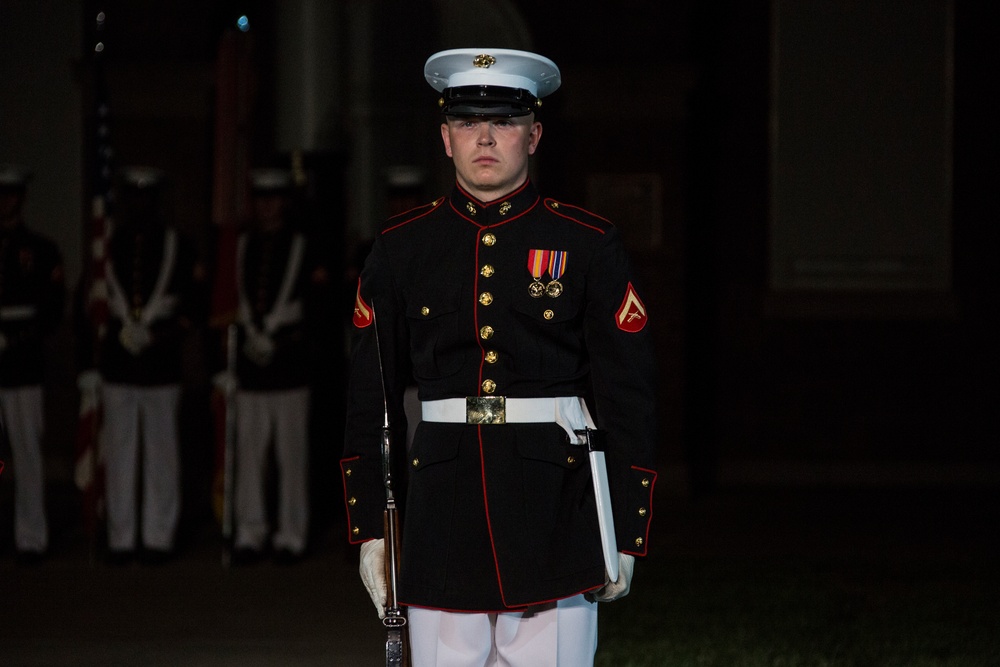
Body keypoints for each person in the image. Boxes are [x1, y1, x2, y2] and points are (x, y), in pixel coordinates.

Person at [341, 49, 658, 666]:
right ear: (445, 136)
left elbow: (629, 394)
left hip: (555, 513)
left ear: (534, 134)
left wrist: (626, 527)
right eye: (466, 121)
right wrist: (372, 529)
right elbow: (369, 397)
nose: (484, 137)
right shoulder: (403, 248)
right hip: (440, 515)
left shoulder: (585, 243)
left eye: (504, 122)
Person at [88, 166, 203, 564]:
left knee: (161, 456)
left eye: (146, 196)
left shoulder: (176, 244)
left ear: (156, 200)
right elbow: (93, 298)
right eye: (133, 196)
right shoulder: (109, 242)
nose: (140, 203)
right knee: (119, 454)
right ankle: (121, 538)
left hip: (160, 363)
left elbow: (192, 304)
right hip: (119, 364)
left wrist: (159, 335)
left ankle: (158, 537)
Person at [225, 167, 326, 564]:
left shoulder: (302, 244)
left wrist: (286, 338)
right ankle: (250, 532)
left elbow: (315, 308)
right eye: (261, 199)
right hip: (253, 368)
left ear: (284, 202)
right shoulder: (245, 244)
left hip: (289, 367)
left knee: (291, 456)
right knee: (250, 456)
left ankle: (291, 534)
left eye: (273, 199)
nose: (267, 207)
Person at [0, 164, 65, 564]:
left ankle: (31, 537)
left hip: (22, 361)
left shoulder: (41, 249)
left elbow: (52, 307)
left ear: (21, 198)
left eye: (11, 193)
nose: (4, 201)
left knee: (25, 452)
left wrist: (17, 338)